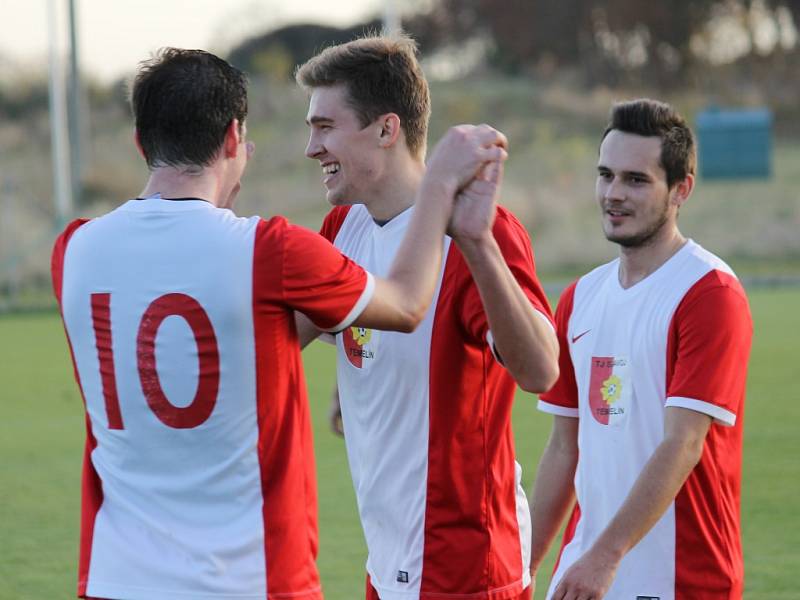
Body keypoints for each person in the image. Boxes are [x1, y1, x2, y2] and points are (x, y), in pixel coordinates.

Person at [51, 47, 508, 600]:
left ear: (140, 144)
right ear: (232, 138)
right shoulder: (268, 251)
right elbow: (408, 303)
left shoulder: (72, 250)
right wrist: (438, 186)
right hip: (251, 579)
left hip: (114, 576)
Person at [294, 34, 559, 600]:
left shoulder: (478, 231)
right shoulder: (343, 230)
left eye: (325, 126)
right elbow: (284, 334)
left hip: (465, 567)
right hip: (388, 559)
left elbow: (541, 369)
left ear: (387, 130)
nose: (311, 147)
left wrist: (480, 244)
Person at [530, 99, 753, 599]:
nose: (613, 194)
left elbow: (683, 444)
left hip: (681, 578)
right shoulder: (580, 296)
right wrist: (524, 565)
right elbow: (564, 448)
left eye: (636, 180)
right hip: (582, 572)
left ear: (681, 190)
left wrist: (605, 557)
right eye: (605, 175)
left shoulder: (709, 292)